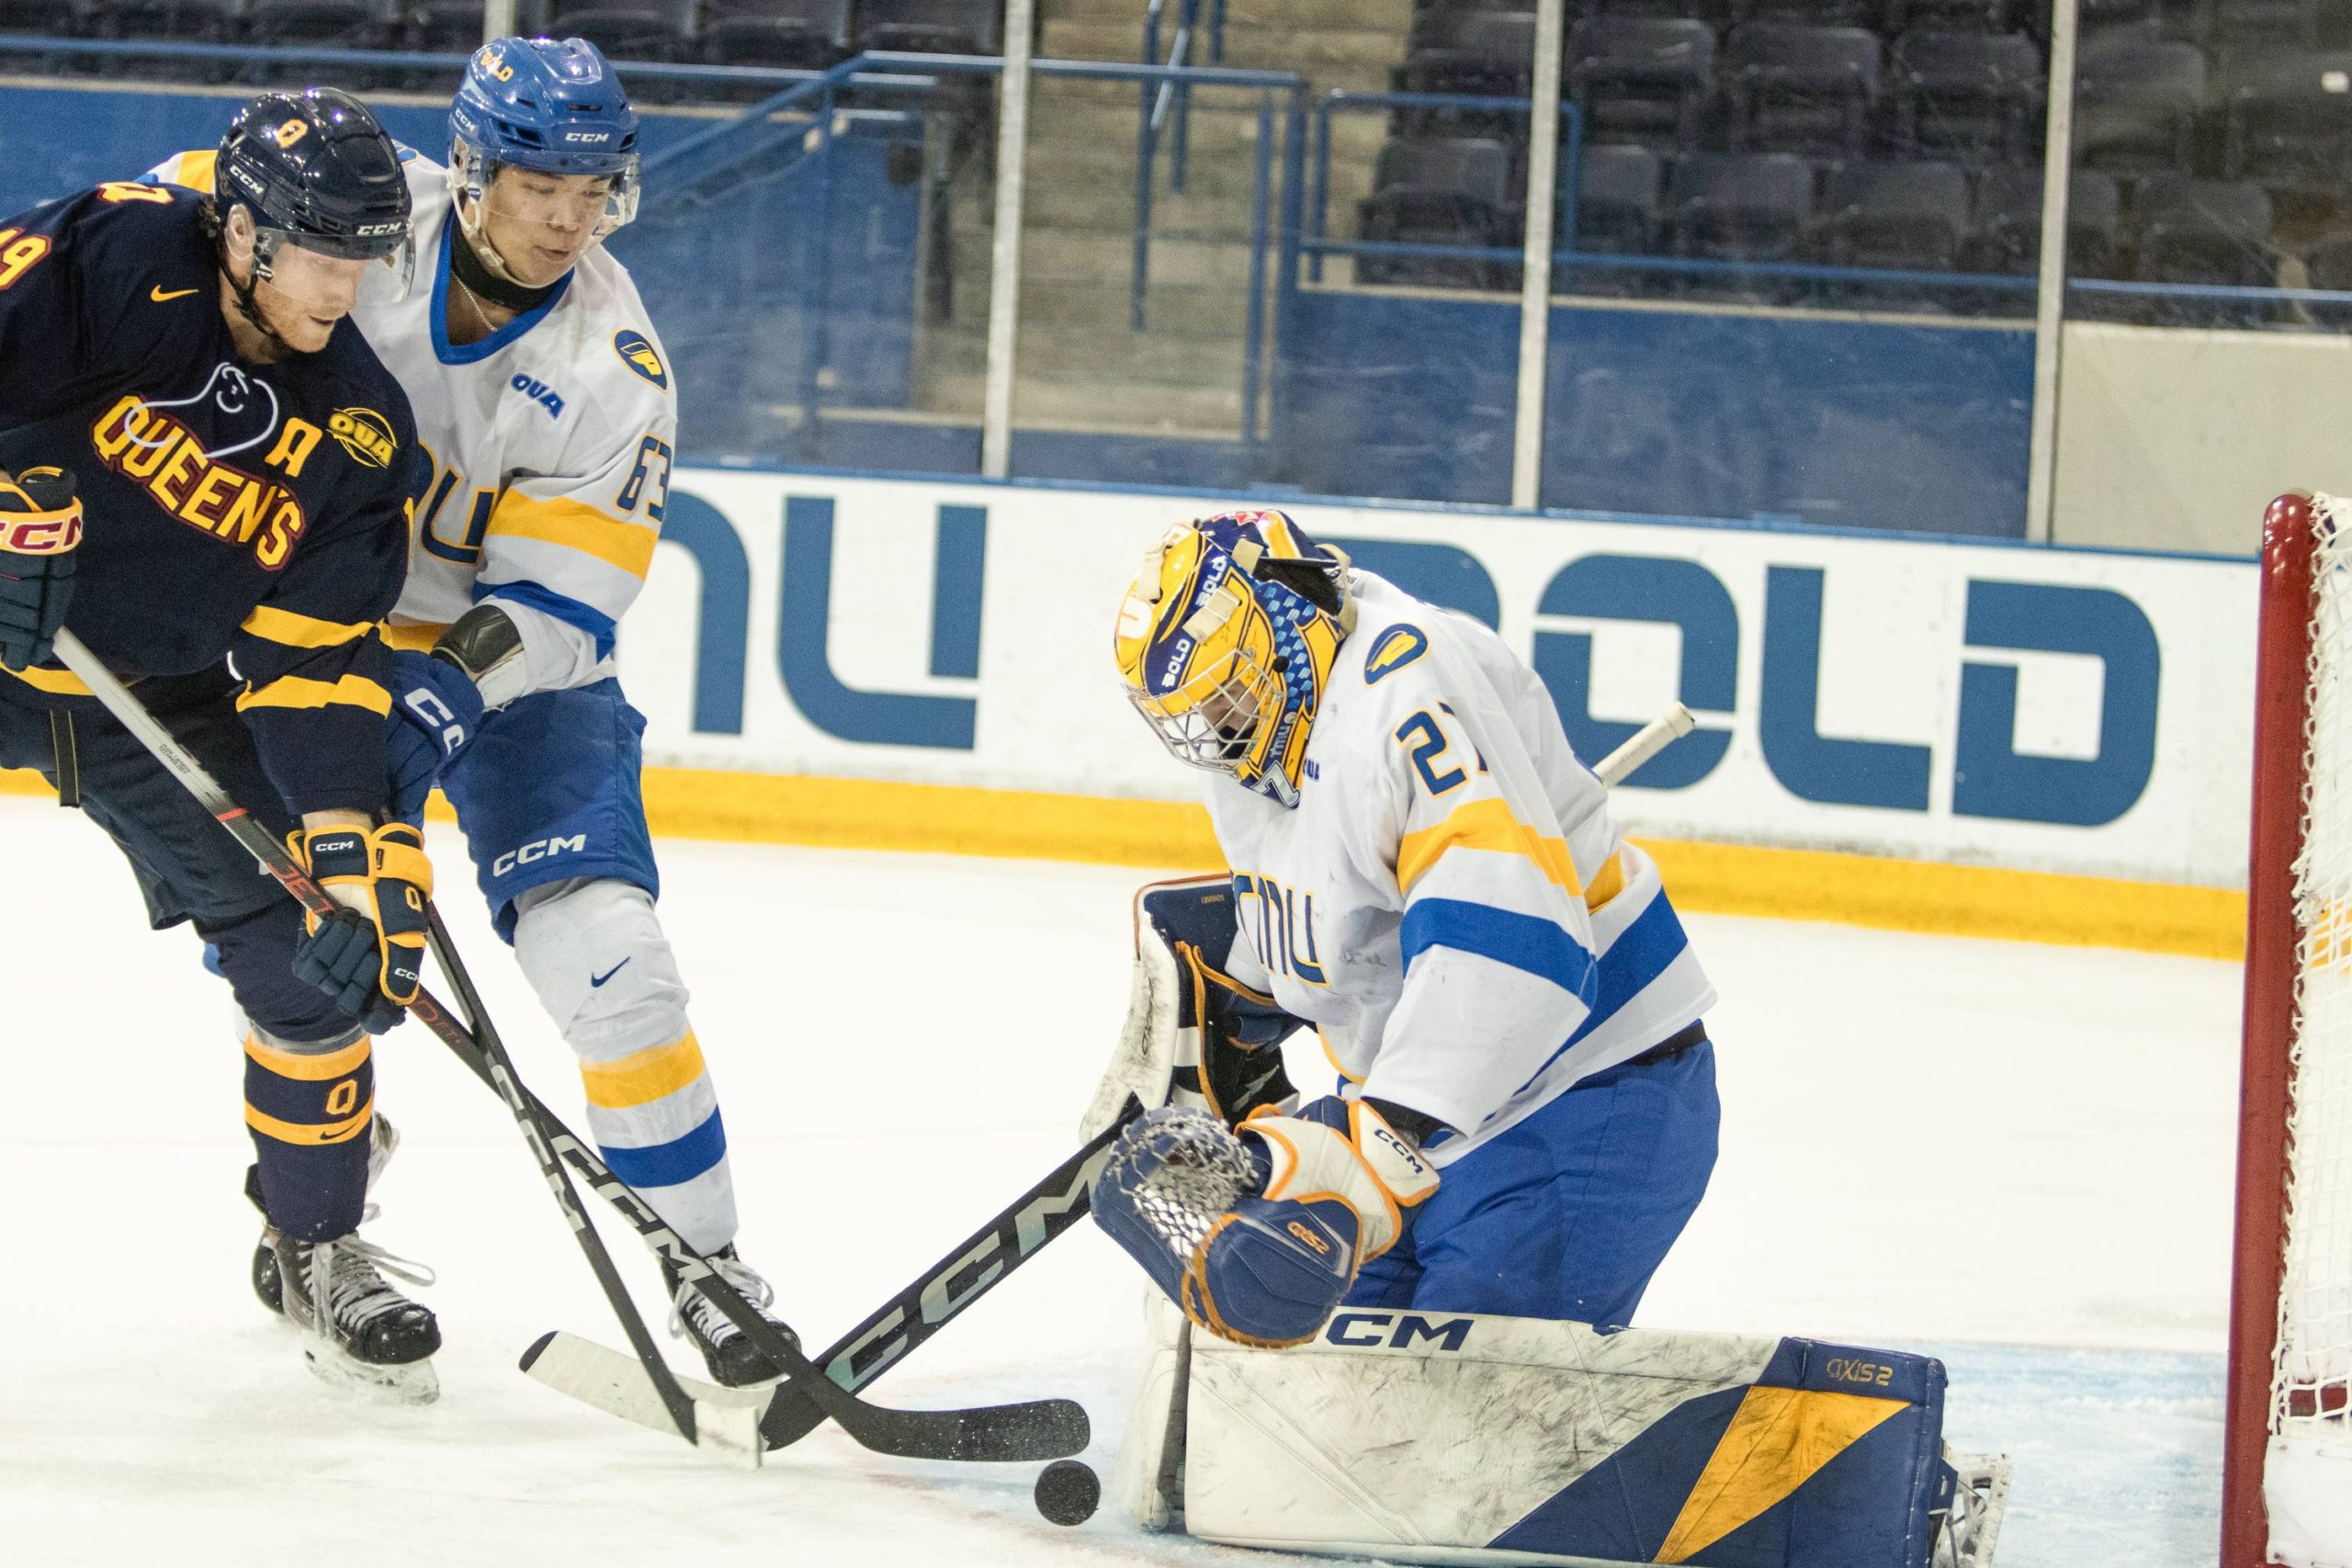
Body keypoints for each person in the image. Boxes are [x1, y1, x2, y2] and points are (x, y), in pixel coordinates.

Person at [152, 39, 792, 1386]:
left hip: (508, 685)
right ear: (472, 169)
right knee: (308, 960)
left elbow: (566, 605)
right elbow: (167, 236)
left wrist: (442, 697)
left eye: (594, 190)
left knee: (616, 966)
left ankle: (710, 1272)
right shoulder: (355, 229)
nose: (568, 217)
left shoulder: (615, 366)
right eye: (539, 185)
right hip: (300, 643)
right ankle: (318, 1221)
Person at [0, 88, 444, 1396]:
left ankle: (317, 1240)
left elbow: (313, 668)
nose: (342, 284)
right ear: (242, 231)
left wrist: (348, 863)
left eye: (364, 256)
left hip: (143, 689)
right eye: (320, 251)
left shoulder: (359, 434)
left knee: (303, 965)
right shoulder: (117, 255)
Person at [1091, 509, 1721, 1349]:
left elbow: (1514, 947)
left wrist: (1376, 1133)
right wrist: (1241, 989)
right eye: (1198, 710)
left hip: (1583, 1093)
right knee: (1324, 1388)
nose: (1217, 727)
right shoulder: (1259, 742)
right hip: (1435, 1121)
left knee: (1461, 1430)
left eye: (1230, 690)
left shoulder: (1406, 689)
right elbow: (1337, 896)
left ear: (1292, 620)